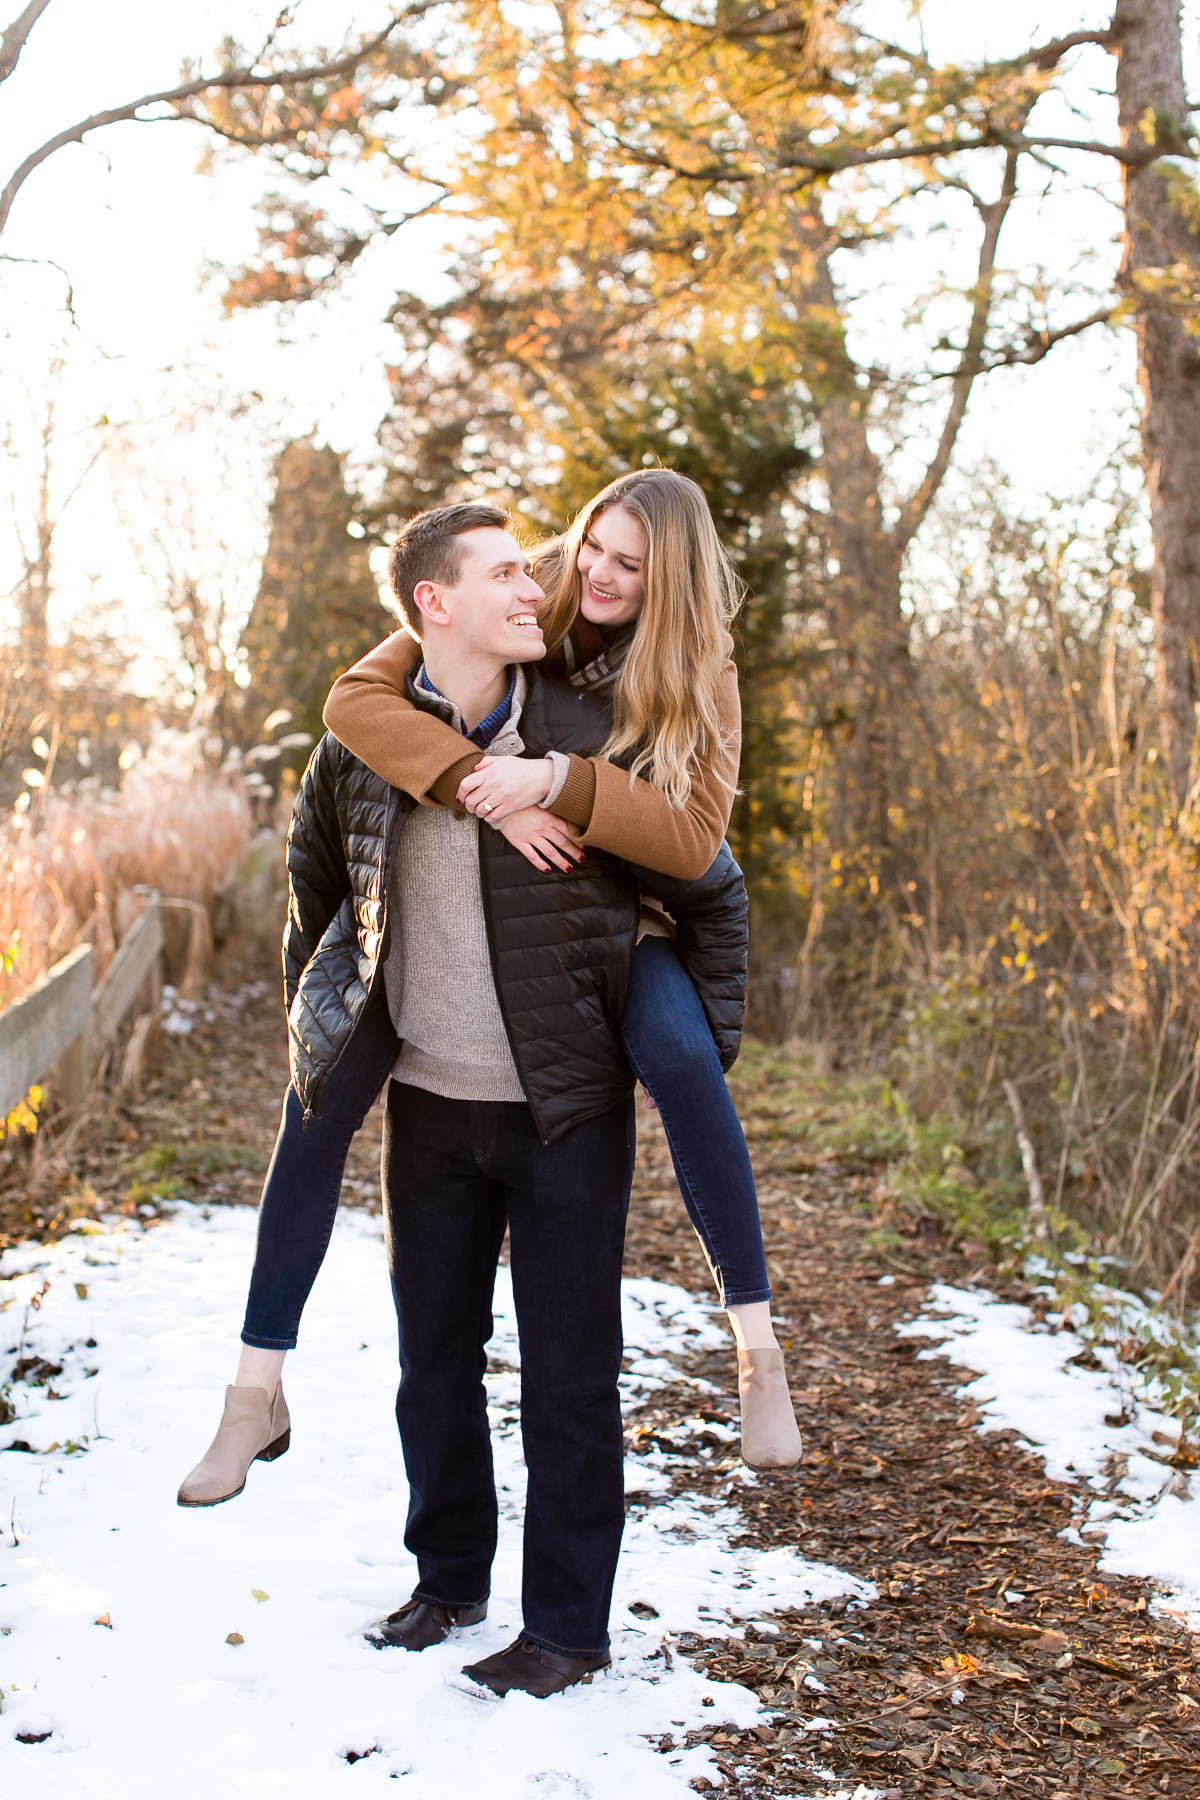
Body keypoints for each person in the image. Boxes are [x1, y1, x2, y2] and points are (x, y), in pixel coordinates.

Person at [178, 502, 751, 1698]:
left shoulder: (594, 736)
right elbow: (316, 889)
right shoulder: (368, 741)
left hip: (563, 1104)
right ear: (441, 604)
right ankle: (447, 1580)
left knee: (570, 1372)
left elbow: (702, 870)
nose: (550, 586)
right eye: (520, 571)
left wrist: (676, 1030)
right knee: (432, 1360)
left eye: (549, 573)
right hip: (430, 1102)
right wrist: (328, 1022)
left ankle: (566, 1631)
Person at [323, 469, 802, 1468]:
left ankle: (757, 1347)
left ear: (669, 578)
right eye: (593, 545)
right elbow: (357, 698)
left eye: (629, 565)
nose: (598, 574)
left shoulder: (703, 667)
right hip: (533, 937)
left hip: (642, 919)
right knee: (438, 1339)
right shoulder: (525, 584)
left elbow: (695, 839)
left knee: (680, 1059)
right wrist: (477, 782)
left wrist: (561, 781)